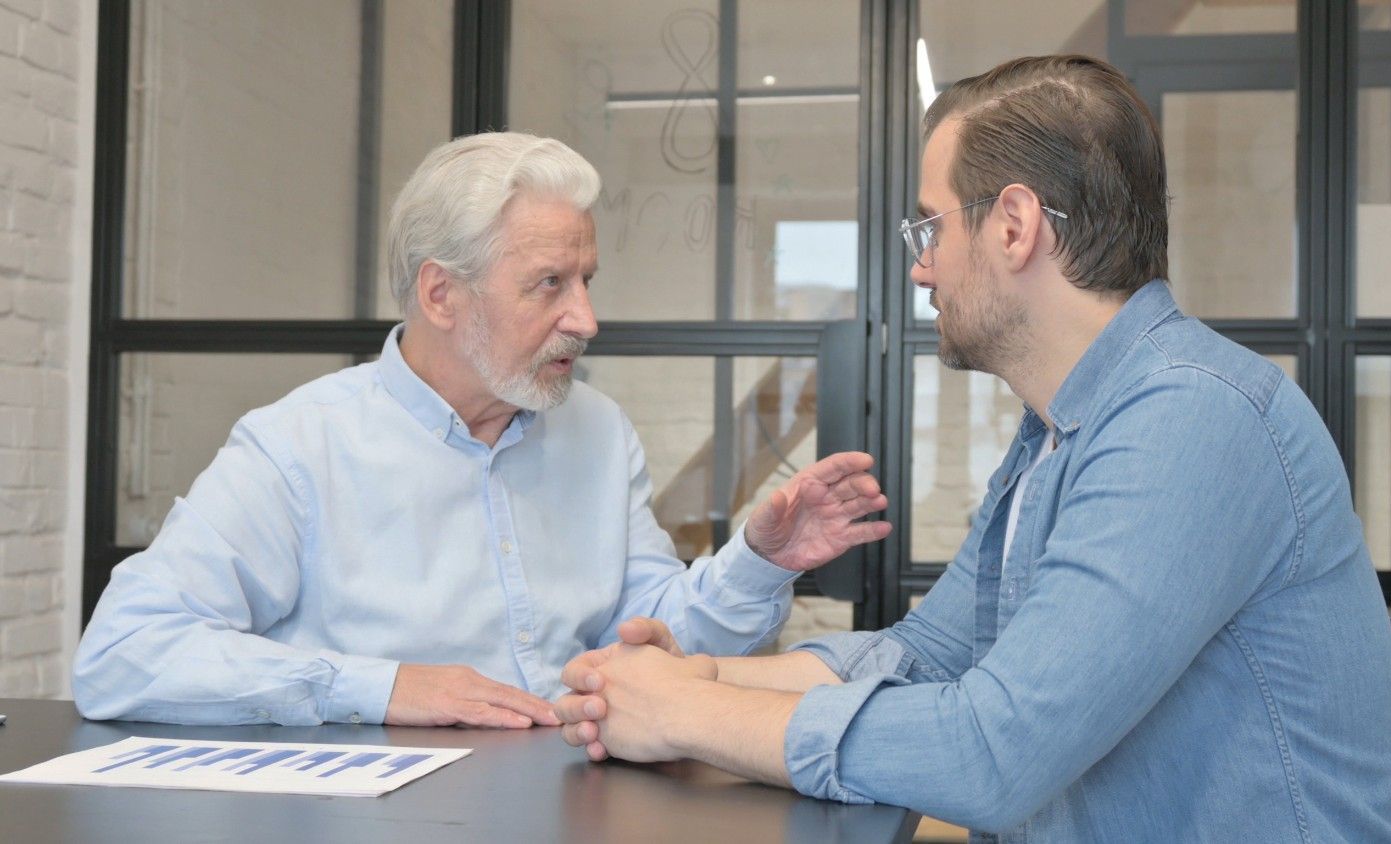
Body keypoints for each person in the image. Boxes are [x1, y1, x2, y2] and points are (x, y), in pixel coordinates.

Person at [553, 55, 1391, 841]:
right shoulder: (1057, 429)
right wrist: (703, 675)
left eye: (930, 229)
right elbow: (928, 654)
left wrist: (683, 713)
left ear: (1014, 226)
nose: (921, 268)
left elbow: (994, 751)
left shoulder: (1192, 417)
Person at [72, 132, 891, 729]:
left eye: (587, 280)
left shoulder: (598, 432)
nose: (587, 319)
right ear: (440, 296)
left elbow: (651, 634)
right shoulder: (297, 445)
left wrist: (758, 564)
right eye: (549, 284)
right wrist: (385, 687)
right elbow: (125, 653)